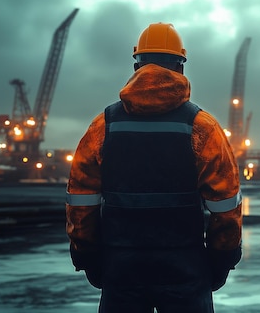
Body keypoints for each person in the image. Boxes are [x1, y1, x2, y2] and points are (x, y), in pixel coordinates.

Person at [65, 22, 242, 312]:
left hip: (121, 266)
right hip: (185, 267)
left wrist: (87, 256)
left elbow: (81, 200)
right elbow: (225, 206)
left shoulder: (104, 126)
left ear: (137, 66)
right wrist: (222, 259)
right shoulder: (203, 128)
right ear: (180, 67)